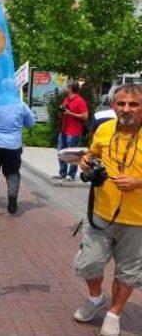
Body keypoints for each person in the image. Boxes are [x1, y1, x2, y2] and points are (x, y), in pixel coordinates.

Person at [74, 83, 142, 336]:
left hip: (137, 221)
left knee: (128, 272)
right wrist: (86, 162)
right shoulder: (104, 129)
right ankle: (95, 298)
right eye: (121, 103)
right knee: (88, 264)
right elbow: (92, 155)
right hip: (100, 214)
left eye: (134, 104)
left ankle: (114, 314)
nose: (126, 109)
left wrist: (139, 181)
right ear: (113, 105)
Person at [55, 81, 89, 182]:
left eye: (67, 87)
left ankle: (71, 175)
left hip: (74, 131)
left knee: (73, 154)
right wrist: (61, 112)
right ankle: (63, 173)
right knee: (61, 152)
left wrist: (71, 114)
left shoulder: (79, 101)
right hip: (64, 129)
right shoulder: (66, 99)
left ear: (70, 88)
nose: (65, 88)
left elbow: (85, 116)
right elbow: (64, 113)